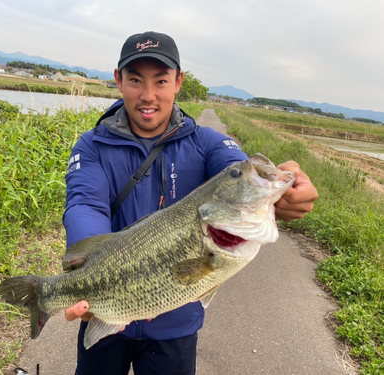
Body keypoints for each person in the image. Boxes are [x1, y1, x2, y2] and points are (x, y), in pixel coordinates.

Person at [62, 31, 318, 375]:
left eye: (161, 80)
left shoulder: (207, 143)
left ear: (178, 82)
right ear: (118, 81)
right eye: (135, 80)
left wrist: (285, 189)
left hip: (176, 324)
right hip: (106, 307)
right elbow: (85, 206)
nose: (148, 95)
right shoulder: (91, 146)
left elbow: (234, 171)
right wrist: (86, 269)